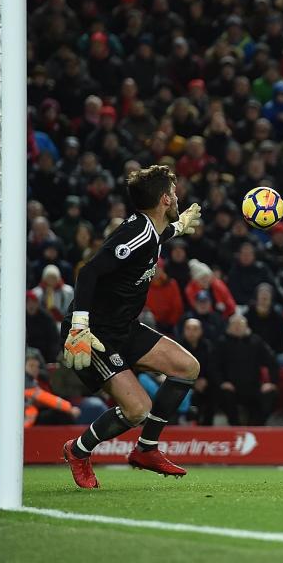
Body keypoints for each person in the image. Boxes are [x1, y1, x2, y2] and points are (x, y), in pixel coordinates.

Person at [60, 165, 202, 489]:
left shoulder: (151, 230)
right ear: (165, 199)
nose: (178, 197)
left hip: (123, 326)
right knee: (138, 409)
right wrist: (79, 326)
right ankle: (78, 451)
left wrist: (178, 226)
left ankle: (146, 449)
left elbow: (159, 235)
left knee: (187, 367)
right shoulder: (136, 235)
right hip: (94, 332)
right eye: (175, 192)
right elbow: (89, 272)